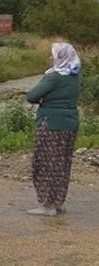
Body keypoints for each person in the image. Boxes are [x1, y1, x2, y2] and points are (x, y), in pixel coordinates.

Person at [25, 42, 81, 216]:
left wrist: (42, 101)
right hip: (70, 124)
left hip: (51, 124)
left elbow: (31, 96)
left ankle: (47, 204)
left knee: (44, 163)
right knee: (62, 164)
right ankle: (57, 202)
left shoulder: (54, 76)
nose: (51, 57)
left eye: (54, 54)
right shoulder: (74, 76)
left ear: (60, 57)